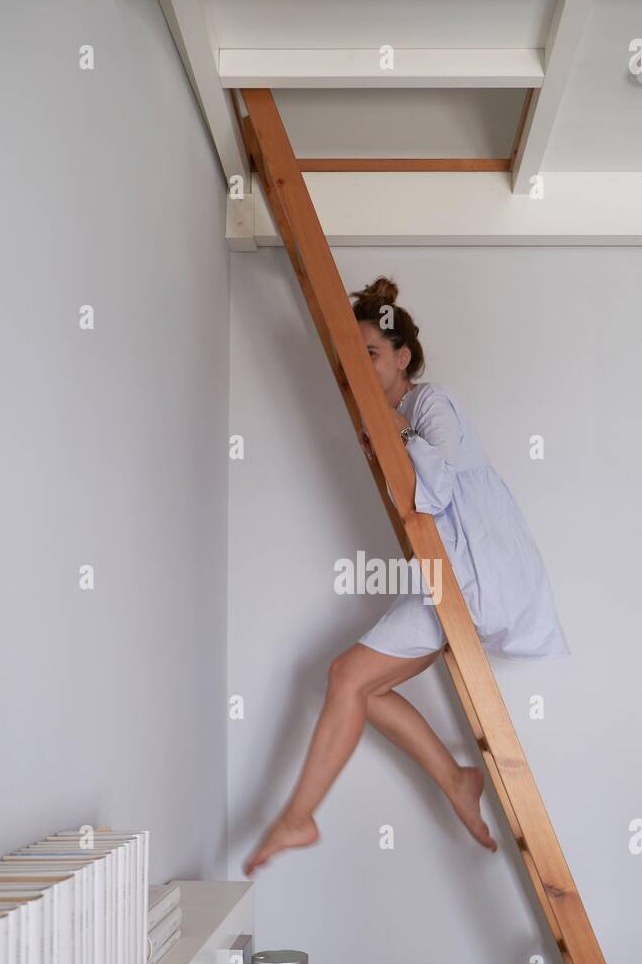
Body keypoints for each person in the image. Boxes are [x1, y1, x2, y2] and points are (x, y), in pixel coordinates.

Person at [243, 277, 569, 876]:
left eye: (371, 352)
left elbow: (437, 489)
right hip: (449, 573)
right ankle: (455, 777)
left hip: (468, 577)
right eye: (355, 355)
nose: (362, 365)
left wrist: (393, 434)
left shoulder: (430, 404)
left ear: (403, 357)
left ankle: (300, 817)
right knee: (360, 685)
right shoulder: (401, 418)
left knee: (347, 676)